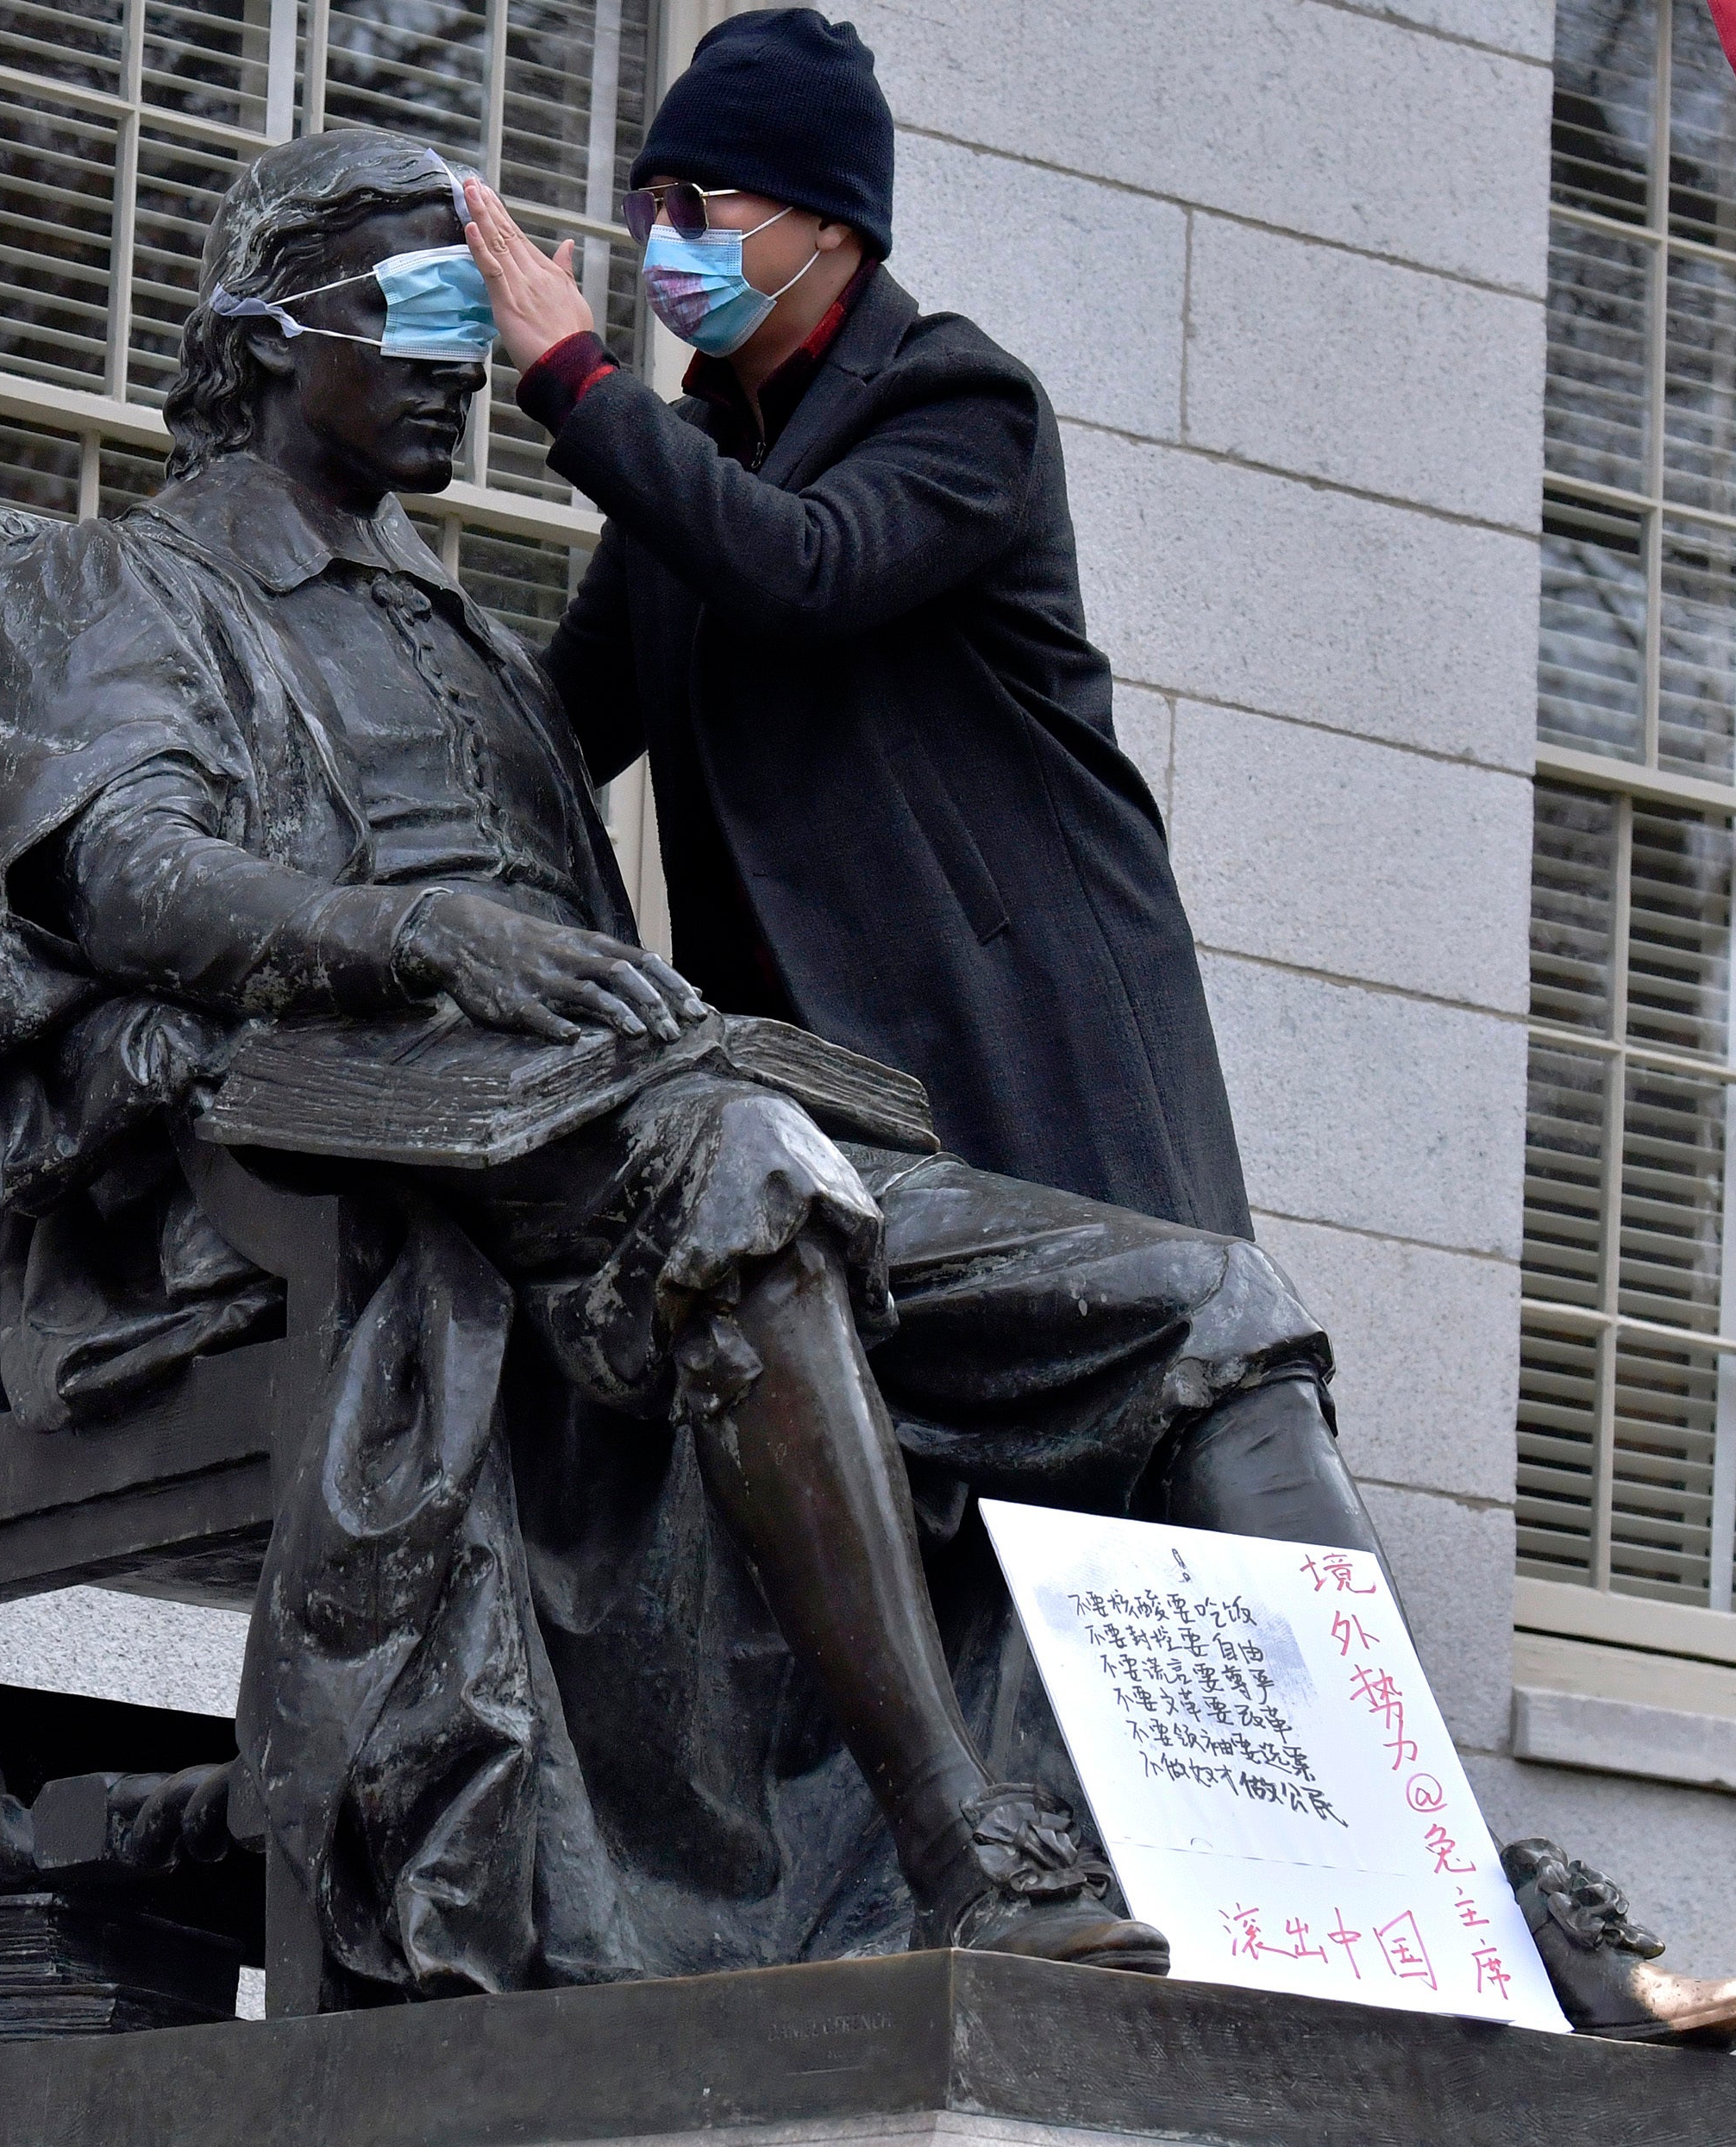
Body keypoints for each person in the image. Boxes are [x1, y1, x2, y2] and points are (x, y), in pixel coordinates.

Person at [0, 128, 1736, 2046]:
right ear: (273, 328)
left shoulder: (461, 640)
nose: (472, 348)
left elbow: (778, 595)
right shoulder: (97, 590)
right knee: (739, 1168)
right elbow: (135, 881)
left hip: (615, 1120)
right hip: (341, 1158)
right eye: (434, 301)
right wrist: (423, 940)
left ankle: (1443, 1886)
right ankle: (966, 1851)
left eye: (493, 305)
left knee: (1209, 1303)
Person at [456, 9, 1253, 1240]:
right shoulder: (697, 463)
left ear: (828, 219)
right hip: (812, 1081)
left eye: (700, 205)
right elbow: (555, 731)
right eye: (648, 205)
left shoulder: (960, 401)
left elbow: (805, 571)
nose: (666, 240)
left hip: (1019, 1047)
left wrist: (576, 376)